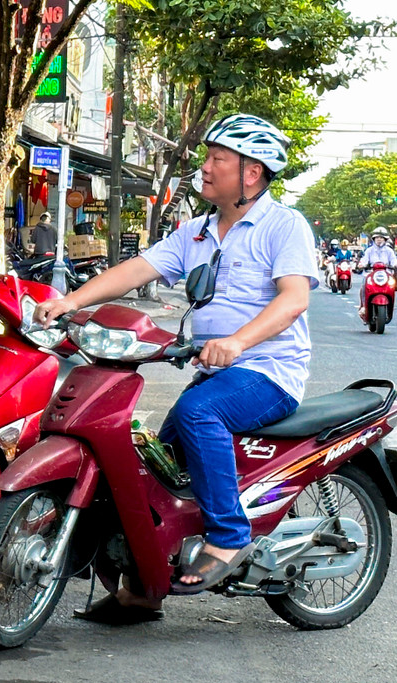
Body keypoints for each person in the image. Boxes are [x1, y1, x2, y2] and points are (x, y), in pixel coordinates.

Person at [33, 113, 317, 619]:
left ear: (251, 172)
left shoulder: (284, 224)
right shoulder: (198, 231)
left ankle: (230, 537)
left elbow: (293, 300)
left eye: (217, 160)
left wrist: (237, 340)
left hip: (270, 372)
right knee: (148, 474)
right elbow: (139, 268)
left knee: (198, 413)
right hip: (217, 375)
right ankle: (144, 591)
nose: (204, 168)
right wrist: (69, 301)